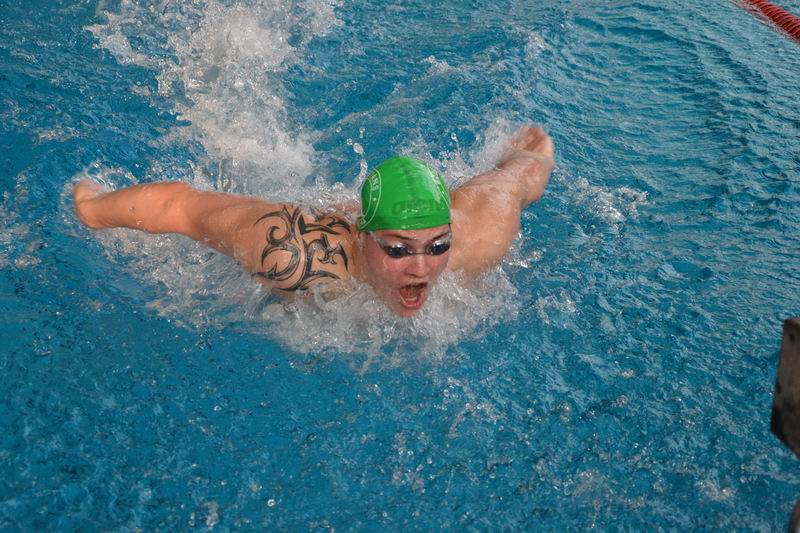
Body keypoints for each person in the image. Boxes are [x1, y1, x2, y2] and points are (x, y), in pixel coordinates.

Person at [74, 126, 554, 316]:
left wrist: (530, 149)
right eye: (397, 249)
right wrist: (92, 209)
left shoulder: (480, 237)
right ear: (363, 237)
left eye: (437, 246)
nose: (422, 268)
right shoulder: (290, 252)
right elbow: (180, 206)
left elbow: (522, 174)